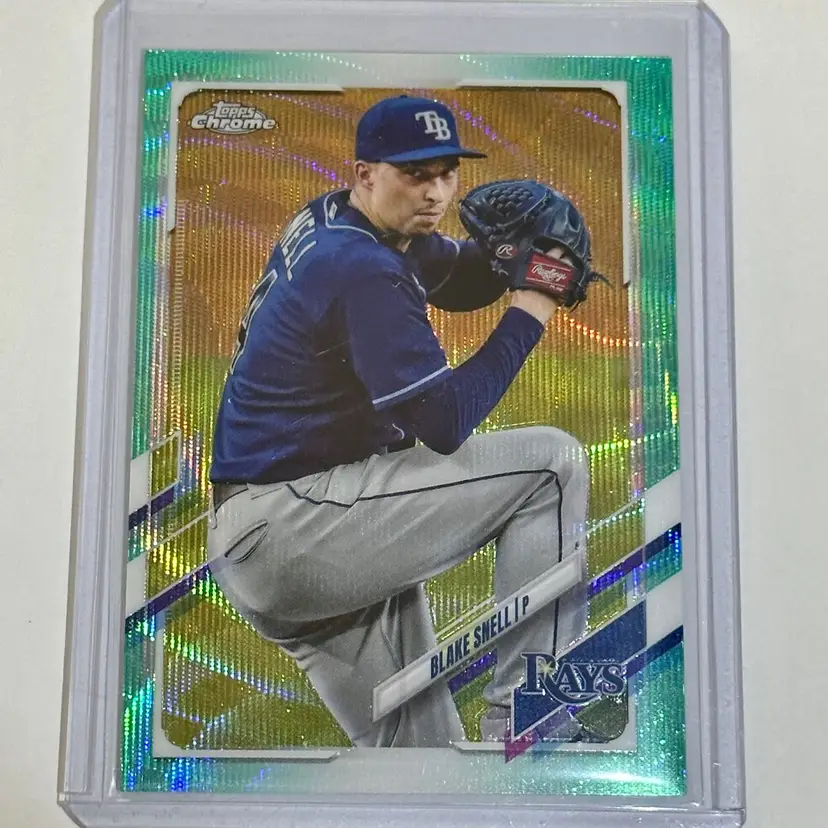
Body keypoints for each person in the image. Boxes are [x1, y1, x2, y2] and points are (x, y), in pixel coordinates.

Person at [207, 94, 589, 748]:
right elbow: (444, 421)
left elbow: (457, 276)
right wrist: (533, 302)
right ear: (366, 173)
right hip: (298, 522)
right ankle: (533, 715)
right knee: (552, 468)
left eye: (446, 173)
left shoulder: (340, 219)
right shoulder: (359, 267)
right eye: (415, 174)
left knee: (424, 771)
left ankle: (486, 758)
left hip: (274, 542)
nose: (435, 192)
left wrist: (510, 256)